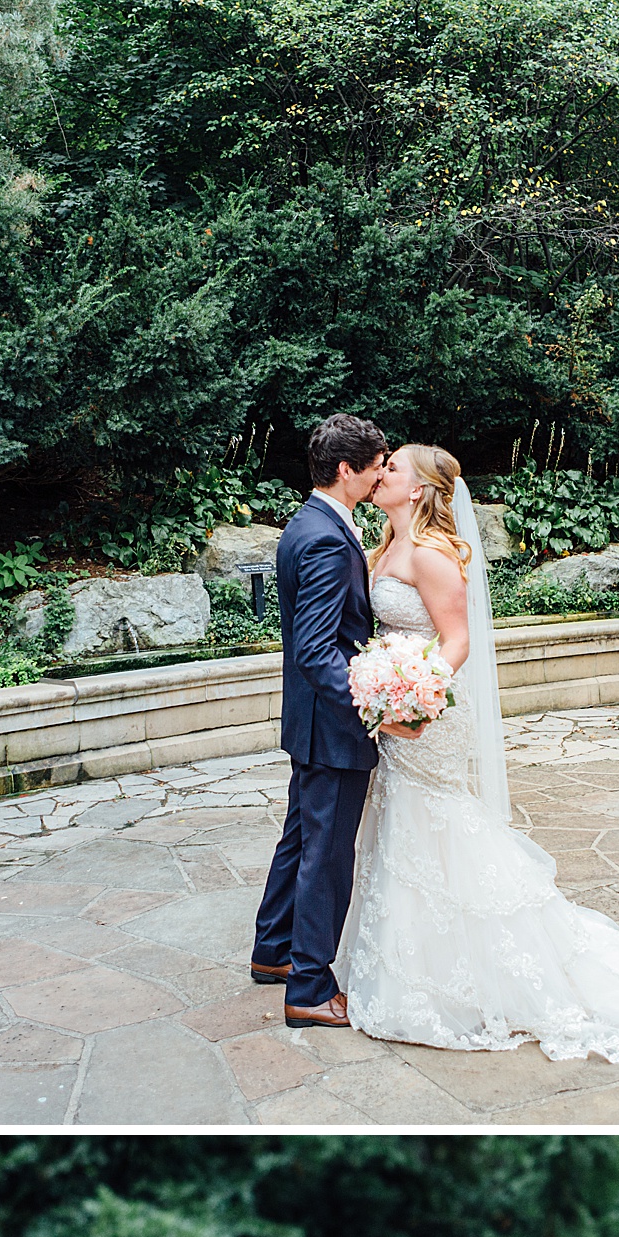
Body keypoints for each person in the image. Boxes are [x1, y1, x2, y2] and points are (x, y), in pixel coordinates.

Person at [339, 442, 619, 1063]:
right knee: (401, 826)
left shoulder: (433, 554)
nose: (383, 473)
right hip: (399, 706)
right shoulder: (383, 545)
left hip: (426, 716)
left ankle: (463, 976)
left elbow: (456, 642)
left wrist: (413, 699)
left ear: (421, 489)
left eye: (395, 467)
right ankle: (411, 964)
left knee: (436, 825)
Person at [251, 412, 389, 1029]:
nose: (382, 474)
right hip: (333, 726)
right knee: (327, 856)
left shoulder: (308, 522)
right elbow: (315, 651)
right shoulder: (330, 539)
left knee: (302, 839)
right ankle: (308, 987)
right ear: (346, 469)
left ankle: (274, 952)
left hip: (309, 722)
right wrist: (374, 705)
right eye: (376, 466)